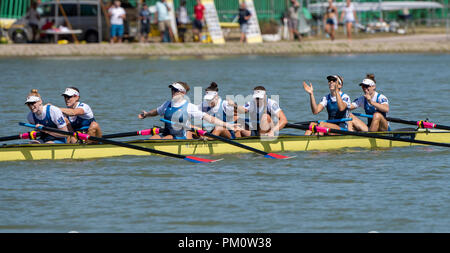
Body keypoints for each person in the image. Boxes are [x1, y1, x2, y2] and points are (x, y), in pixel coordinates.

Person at [138, 82, 240, 139]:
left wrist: (228, 125)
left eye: (176, 90)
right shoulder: (166, 104)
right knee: (153, 139)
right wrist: (146, 114)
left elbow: (210, 119)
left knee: (165, 139)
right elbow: (156, 112)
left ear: (183, 93)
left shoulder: (190, 107)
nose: (173, 92)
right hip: (167, 134)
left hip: (181, 137)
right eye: (172, 90)